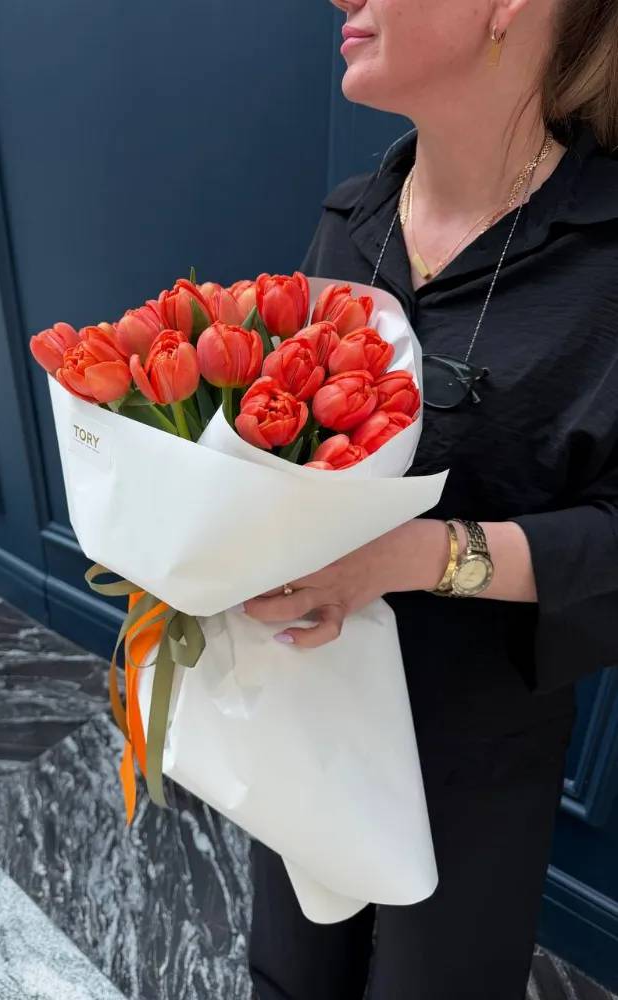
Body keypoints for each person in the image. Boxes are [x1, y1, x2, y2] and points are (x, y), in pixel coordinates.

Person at [244, 0, 618, 997]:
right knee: (290, 971)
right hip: (308, 704)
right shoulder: (345, 220)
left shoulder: (606, 259)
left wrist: (415, 556)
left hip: (477, 755)